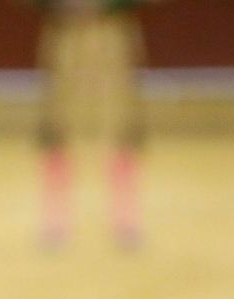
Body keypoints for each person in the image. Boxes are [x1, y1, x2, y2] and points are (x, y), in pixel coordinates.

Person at [30, 0, 151, 249]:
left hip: (112, 32)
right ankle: (55, 219)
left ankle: (126, 218)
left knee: (120, 123)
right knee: (57, 125)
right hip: (66, 34)